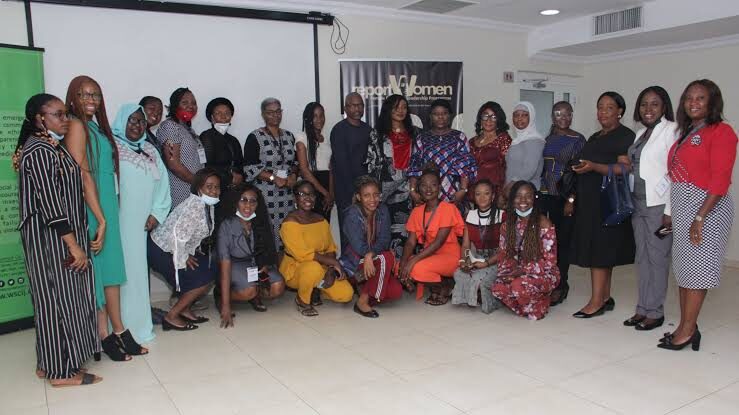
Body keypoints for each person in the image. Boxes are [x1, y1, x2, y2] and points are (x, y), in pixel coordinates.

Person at [15, 94, 101, 386]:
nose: (65, 120)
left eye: (65, 114)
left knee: (55, 299)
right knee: (56, 300)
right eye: (58, 115)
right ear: (40, 118)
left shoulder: (52, 146)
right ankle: (62, 372)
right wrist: (74, 245)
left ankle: (48, 363)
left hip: (60, 236)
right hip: (51, 239)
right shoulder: (39, 149)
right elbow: (51, 204)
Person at [65, 75, 144, 361]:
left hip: (105, 204)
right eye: (84, 94)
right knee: (98, 271)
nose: (91, 100)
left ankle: (118, 329)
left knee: (111, 271)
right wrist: (100, 218)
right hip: (92, 207)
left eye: (95, 94)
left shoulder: (95, 127)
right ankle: (103, 333)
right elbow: (82, 174)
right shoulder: (76, 125)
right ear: (72, 97)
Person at [660, 79, 737, 351]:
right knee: (684, 270)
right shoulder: (688, 132)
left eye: (700, 98)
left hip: (707, 210)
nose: (693, 103)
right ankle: (685, 326)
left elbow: (720, 180)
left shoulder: (722, 132)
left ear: (712, 102)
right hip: (684, 208)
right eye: (689, 98)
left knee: (697, 272)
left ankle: (688, 330)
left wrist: (700, 216)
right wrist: (674, 213)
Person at [569, 91, 636, 318]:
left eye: (609, 107)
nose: (603, 112)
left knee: (600, 251)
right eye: (600, 107)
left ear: (620, 112)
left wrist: (594, 167)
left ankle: (596, 302)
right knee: (600, 250)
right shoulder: (595, 136)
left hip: (607, 201)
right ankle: (605, 297)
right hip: (589, 200)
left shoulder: (625, 135)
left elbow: (625, 168)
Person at [618, 87, 678, 331]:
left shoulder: (672, 130)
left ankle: (655, 311)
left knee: (658, 258)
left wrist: (670, 211)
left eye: (654, 104)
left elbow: (675, 172)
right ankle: (642, 308)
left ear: (664, 107)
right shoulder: (641, 133)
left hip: (659, 207)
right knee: (641, 257)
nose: (648, 109)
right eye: (644, 104)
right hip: (638, 203)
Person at [112, 103, 171, 344]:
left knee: (137, 274)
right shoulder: (112, 147)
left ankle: (138, 326)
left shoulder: (149, 149)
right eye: (132, 120)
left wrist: (157, 213)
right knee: (120, 274)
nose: (137, 125)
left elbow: (163, 184)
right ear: (121, 121)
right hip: (119, 222)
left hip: (142, 224)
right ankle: (117, 327)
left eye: (141, 121)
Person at [148, 168, 220, 331]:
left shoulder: (207, 205)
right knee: (202, 277)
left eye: (217, 187)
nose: (214, 191)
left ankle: (184, 309)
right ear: (199, 188)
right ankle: (172, 316)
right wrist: (184, 257)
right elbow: (177, 236)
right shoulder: (195, 206)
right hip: (162, 249)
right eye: (209, 187)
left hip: (174, 249)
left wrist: (187, 253)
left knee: (210, 268)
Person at [280, 181, 354, 317]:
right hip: (296, 269)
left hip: (322, 266)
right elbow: (302, 255)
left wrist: (331, 270)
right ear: (295, 198)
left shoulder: (321, 220)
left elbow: (330, 248)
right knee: (313, 268)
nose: (308, 198)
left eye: (312, 194)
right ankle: (302, 300)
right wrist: (333, 263)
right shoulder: (289, 223)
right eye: (303, 194)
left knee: (346, 294)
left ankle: (316, 289)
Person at [217, 183, 286, 327]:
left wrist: (264, 264)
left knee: (278, 287)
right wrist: (225, 306)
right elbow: (225, 262)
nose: (248, 205)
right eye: (243, 200)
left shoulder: (260, 222)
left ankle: (254, 295)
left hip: (256, 264)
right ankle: (223, 296)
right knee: (248, 291)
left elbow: (268, 251)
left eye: (253, 201)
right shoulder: (226, 225)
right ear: (236, 202)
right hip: (235, 264)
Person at [539, 101, 586, 306]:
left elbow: (578, 174)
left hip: (564, 197)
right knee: (545, 242)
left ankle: (561, 286)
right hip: (544, 196)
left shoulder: (578, 140)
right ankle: (546, 282)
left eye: (567, 114)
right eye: (559, 114)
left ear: (572, 116)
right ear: (552, 117)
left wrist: (571, 199)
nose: (563, 118)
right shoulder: (547, 138)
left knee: (562, 243)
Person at [492, 181, 560, 320]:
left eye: (528, 196)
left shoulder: (544, 223)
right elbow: (504, 255)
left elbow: (549, 262)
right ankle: (532, 304)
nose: (523, 200)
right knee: (498, 287)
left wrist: (521, 272)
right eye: (518, 196)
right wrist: (507, 274)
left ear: (534, 198)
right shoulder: (507, 225)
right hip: (519, 271)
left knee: (518, 286)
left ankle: (538, 305)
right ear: (512, 200)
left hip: (544, 273)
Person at [339, 176, 405, 318]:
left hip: (374, 261)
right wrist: (369, 254)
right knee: (387, 257)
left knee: (396, 291)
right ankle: (362, 302)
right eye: (367, 195)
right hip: (355, 263)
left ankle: (364, 289)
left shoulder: (383, 210)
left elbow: (385, 240)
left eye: (376, 195)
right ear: (359, 197)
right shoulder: (352, 214)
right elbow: (359, 247)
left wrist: (371, 254)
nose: (373, 199)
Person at [399, 166, 465, 305]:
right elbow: (411, 242)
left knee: (414, 267)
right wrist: (403, 265)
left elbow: (438, 243)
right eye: (424, 185)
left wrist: (412, 262)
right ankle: (439, 285)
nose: (428, 189)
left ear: (439, 188)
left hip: (450, 257)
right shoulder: (417, 212)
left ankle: (444, 287)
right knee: (400, 265)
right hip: (429, 255)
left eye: (433, 185)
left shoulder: (448, 208)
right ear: (418, 188)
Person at [366, 94, 420, 256]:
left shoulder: (415, 133)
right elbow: (372, 164)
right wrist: (375, 193)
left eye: (404, 107)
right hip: (384, 193)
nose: (400, 111)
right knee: (384, 232)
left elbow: (419, 162)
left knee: (408, 231)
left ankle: (406, 267)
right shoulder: (377, 134)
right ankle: (387, 268)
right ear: (388, 110)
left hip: (410, 192)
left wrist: (413, 189)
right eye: (396, 107)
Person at [244, 97, 298, 250]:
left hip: (287, 196)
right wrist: (273, 178)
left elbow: (295, 163)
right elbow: (249, 168)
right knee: (268, 235)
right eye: (270, 112)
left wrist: (293, 175)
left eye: (278, 111)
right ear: (263, 114)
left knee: (287, 233)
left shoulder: (289, 136)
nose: (275, 115)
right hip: (266, 196)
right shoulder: (255, 137)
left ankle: (285, 263)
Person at [407, 99, 477, 208]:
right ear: (430, 116)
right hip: (427, 194)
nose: (440, 117)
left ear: (449, 116)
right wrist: (412, 190)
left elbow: (465, 166)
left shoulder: (459, 137)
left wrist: (463, 190)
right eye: (436, 114)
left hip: (453, 194)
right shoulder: (422, 138)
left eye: (444, 113)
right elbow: (415, 166)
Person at [330, 92, 376, 246]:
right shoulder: (339, 130)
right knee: (349, 233)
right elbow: (341, 165)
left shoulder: (368, 129)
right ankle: (348, 262)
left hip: (366, 192)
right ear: (346, 108)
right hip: (346, 191)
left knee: (367, 232)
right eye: (353, 105)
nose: (357, 109)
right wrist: (354, 192)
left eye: (360, 105)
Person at [452, 179, 504, 313]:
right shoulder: (470, 215)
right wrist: (463, 261)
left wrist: (486, 263)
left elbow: (505, 249)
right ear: (473, 197)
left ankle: (492, 300)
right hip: (478, 257)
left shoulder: (502, 216)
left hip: (498, 259)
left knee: (480, 277)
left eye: (486, 193)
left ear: (493, 196)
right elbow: (465, 245)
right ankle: (475, 296)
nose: (482, 197)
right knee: (459, 273)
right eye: (478, 194)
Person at [157, 87, 205, 209]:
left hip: (195, 190)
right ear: (174, 105)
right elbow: (173, 164)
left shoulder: (188, 129)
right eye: (185, 102)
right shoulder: (170, 126)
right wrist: (198, 183)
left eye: (194, 103)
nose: (190, 106)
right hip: (180, 190)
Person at [295, 102, 333, 220]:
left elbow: (331, 168)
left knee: (324, 223)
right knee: (311, 222)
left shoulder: (326, 139)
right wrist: (324, 193)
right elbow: (304, 170)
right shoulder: (302, 137)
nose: (319, 119)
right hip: (310, 187)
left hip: (327, 184)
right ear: (308, 118)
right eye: (315, 116)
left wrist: (331, 193)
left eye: (321, 115)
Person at [200, 97, 244, 189]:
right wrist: (230, 177)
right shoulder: (206, 137)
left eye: (227, 113)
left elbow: (241, 164)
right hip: (214, 186)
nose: (223, 116)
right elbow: (206, 166)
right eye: (218, 113)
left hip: (235, 187)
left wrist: (240, 177)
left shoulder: (234, 140)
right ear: (212, 117)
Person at [470, 101, 512, 198]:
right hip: (473, 192)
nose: (489, 120)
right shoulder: (471, 141)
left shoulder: (503, 139)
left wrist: (503, 193)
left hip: (494, 193)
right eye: (485, 116)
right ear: (480, 119)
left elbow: (509, 168)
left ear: (498, 120)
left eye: (493, 117)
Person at [506, 101, 545, 189]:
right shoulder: (516, 141)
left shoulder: (535, 140)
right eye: (516, 115)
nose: (519, 118)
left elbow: (529, 169)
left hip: (526, 191)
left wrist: (510, 187)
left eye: (525, 115)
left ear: (532, 117)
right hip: (513, 190)